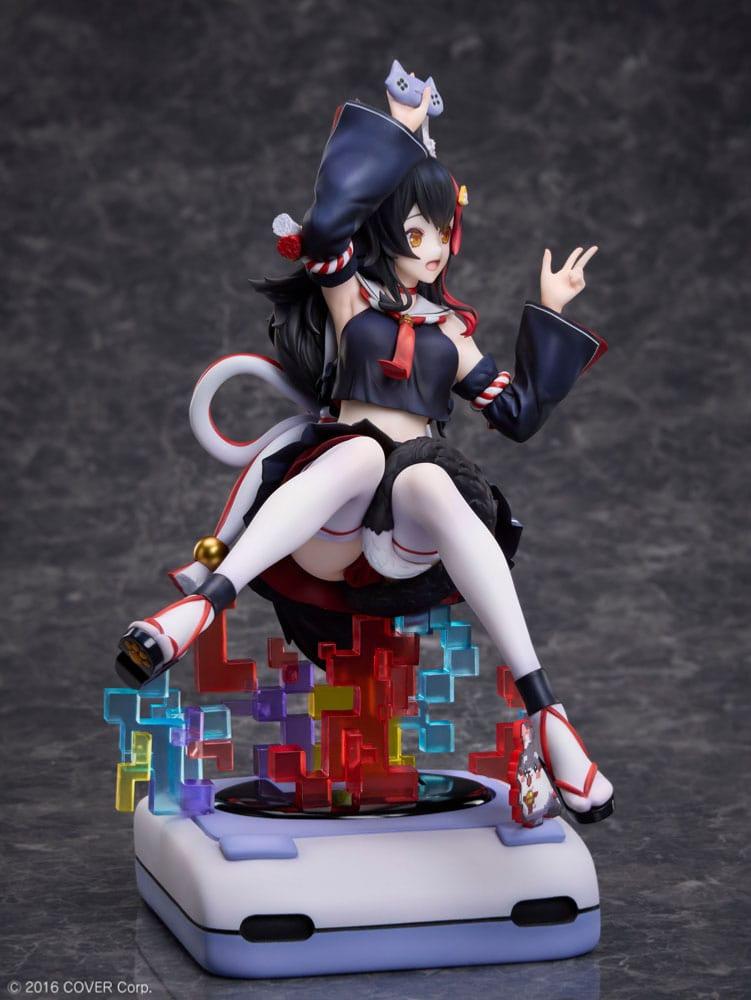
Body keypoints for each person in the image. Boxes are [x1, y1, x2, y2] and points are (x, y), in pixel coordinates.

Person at [116, 81, 613, 824]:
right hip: (334, 516)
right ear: (386, 228)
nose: (433, 249)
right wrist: (400, 133)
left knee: (428, 479)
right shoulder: (350, 297)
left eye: (443, 233)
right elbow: (324, 235)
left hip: (403, 535)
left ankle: (547, 710)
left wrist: (550, 312)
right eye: (417, 232)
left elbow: (515, 415)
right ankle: (200, 609)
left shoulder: (452, 334)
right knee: (360, 457)